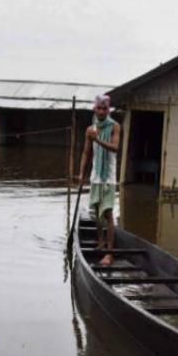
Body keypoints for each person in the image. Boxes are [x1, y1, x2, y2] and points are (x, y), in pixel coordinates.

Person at [78, 94, 121, 266]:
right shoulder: (90, 129)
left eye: (105, 108)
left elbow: (115, 148)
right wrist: (81, 173)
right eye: (99, 108)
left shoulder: (115, 127)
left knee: (108, 213)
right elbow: (86, 153)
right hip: (95, 176)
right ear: (94, 109)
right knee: (96, 212)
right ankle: (101, 242)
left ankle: (109, 253)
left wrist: (98, 140)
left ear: (108, 110)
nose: (102, 111)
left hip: (109, 177)